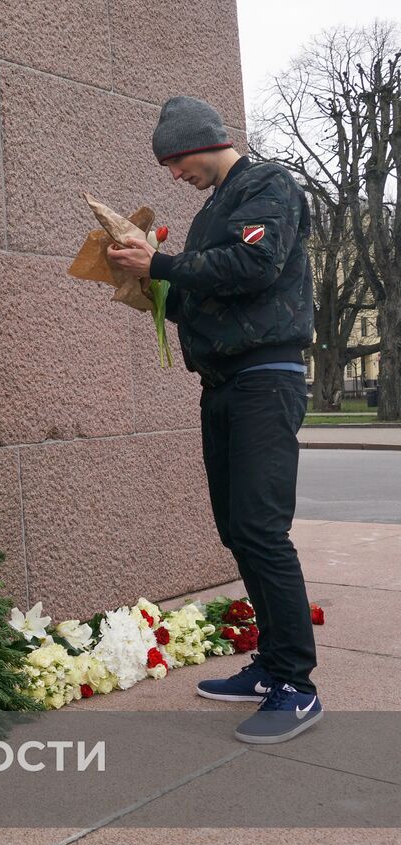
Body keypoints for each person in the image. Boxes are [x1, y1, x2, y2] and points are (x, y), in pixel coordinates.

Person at [107, 96, 321, 744]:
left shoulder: (268, 185)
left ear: (203, 142)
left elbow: (255, 266)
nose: (173, 175)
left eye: (175, 161)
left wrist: (164, 265)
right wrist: (149, 289)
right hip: (224, 384)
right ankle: (270, 667)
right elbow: (205, 298)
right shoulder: (210, 215)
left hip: (265, 379)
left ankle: (297, 686)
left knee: (261, 528)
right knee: (237, 529)